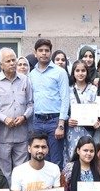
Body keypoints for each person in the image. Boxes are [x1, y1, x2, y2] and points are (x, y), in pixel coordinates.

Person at [0, 48, 34, 184]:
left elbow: (31, 104)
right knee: (4, 172)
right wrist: (4, 118)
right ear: (1, 65)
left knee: (22, 171)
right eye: (8, 61)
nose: (12, 63)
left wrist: (24, 117)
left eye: (13, 60)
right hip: (2, 136)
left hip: (22, 135)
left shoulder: (25, 80)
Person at [30, 38, 71, 168]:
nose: (44, 53)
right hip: (37, 121)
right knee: (39, 158)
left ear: (50, 53)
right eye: (40, 50)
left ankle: (56, 182)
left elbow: (65, 99)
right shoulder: (31, 74)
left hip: (54, 121)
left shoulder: (60, 72)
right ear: (35, 53)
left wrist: (61, 124)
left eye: (47, 50)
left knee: (56, 160)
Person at [65, 60, 100, 163]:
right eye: (77, 70)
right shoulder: (68, 90)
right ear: (73, 72)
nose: (80, 73)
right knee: (73, 157)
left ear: (87, 72)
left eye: (83, 70)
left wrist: (96, 121)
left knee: (88, 157)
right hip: (73, 130)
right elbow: (64, 109)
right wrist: (67, 120)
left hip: (88, 130)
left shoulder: (93, 89)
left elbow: (98, 109)